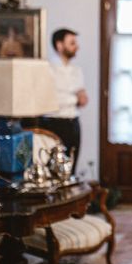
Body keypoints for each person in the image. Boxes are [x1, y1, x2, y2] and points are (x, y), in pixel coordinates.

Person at [40, 28, 87, 174]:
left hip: (73, 122)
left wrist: (79, 95)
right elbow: (49, 98)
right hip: (55, 123)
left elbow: (82, 94)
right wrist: (75, 98)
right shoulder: (47, 69)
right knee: (54, 169)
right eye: (72, 43)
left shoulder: (76, 70)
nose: (76, 47)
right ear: (60, 46)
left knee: (71, 166)